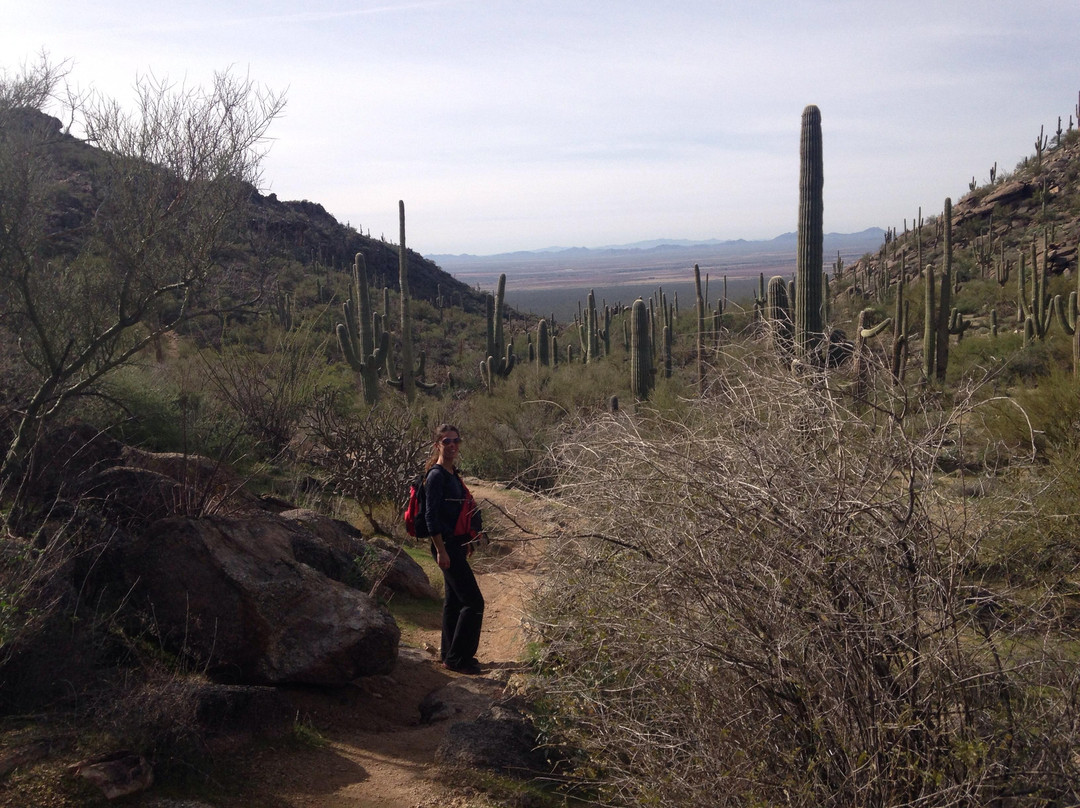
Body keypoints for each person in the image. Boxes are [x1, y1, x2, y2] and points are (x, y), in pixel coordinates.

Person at [424, 424, 485, 675]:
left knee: (453, 601)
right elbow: (431, 517)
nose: (452, 445)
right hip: (445, 546)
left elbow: (459, 513)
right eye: (447, 441)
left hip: (455, 545)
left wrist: (466, 542)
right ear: (438, 444)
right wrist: (441, 550)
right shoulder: (436, 476)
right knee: (474, 602)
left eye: (456, 441)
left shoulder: (452, 475)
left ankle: (448, 654)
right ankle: (459, 658)